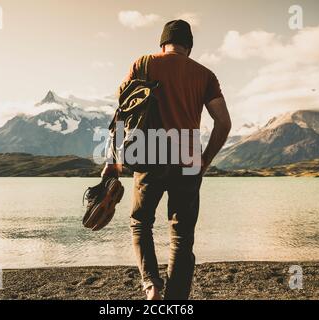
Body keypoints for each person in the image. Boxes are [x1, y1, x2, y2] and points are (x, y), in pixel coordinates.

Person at [101, 19, 231, 300]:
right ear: (190, 47)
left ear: (162, 43)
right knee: (182, 235)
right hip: (188, 158)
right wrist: (204, 160)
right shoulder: (205, 75)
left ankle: (152, 286)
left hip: (150, 153)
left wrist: (114, 159)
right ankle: (176, 299)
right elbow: (223, 123)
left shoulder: (144, 63)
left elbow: (123, 113)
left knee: (140, 222)